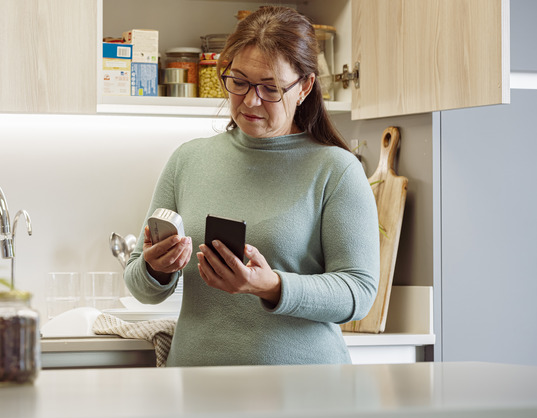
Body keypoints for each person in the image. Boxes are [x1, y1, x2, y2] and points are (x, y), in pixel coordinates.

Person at [123, 6, 379, 366]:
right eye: (239, 81)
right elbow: (138, 283)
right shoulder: (187, 160)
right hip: (197, 389)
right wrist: (155, 268)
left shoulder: (336, 170)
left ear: (304, 86)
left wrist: (272, 285)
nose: (250, 100)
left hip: (302, 394)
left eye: (269, 88)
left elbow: (359, 293)